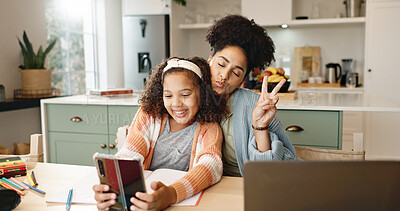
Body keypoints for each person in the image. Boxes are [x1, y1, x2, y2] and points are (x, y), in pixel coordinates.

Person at [93, 57, 226, 211]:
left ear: (202, 94)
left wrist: (172, 194)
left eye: (185, 94)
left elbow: (211, 166)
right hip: (144, 200)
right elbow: (130, 153)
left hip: (180, 202)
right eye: (168, 96)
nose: (176, 103)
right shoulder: (149, 116)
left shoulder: (209, 128)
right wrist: (112, 187)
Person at [205, 14, 297, 177]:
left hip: (246, 187)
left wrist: (259, 127)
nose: (224, 76)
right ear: (209, 60)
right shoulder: (187, 96)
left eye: (235, 72)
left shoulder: (254, 105)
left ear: (242, 80)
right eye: (221, 64)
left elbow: (276, 170)